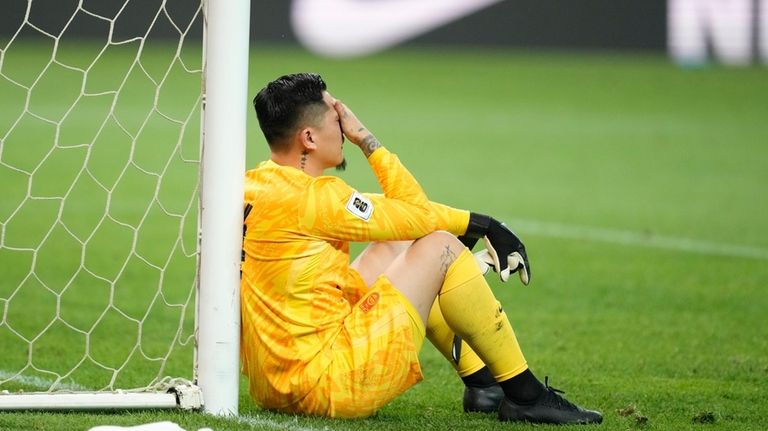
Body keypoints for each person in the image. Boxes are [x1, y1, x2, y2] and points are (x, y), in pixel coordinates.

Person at [240, 72, 602, 424]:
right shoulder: (318, 198)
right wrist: (366, 138)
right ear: (309, 138)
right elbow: (413, 211)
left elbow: (393, 216)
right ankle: (526, 395)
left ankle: (483, 386)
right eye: (338, 120)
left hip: (274, 384)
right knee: (440, 247)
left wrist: (478, 223)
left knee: (397, 243)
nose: (345, 130)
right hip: (328, 384)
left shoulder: (255, 185)